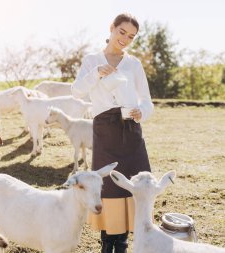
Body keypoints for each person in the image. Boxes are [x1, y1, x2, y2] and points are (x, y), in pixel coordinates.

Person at [71, 13, 154, 253]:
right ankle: (107, 244)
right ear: (112, 28)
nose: (126, 39)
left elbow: (147, 101)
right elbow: (77, 92)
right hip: (105, 129)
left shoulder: (134, 64)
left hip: (131, 130)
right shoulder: (91, 60)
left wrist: (142, 112)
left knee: (134, 185)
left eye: (131, 36)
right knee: (108, 186)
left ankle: (123, 244)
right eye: (122, 32)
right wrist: (96, 73)